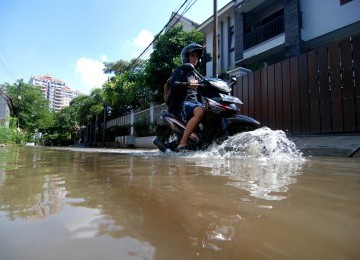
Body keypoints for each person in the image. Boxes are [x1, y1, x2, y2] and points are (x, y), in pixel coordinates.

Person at [168, 43, 206, 152]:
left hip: (195, 104)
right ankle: (182, 143)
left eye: (197, 56)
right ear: (186, 57)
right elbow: (173, 83)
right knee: (199, 111)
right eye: (192, 55)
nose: (195, 58)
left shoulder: (197, 75)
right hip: (182, 103)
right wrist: (187, 84)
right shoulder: (180, 70)